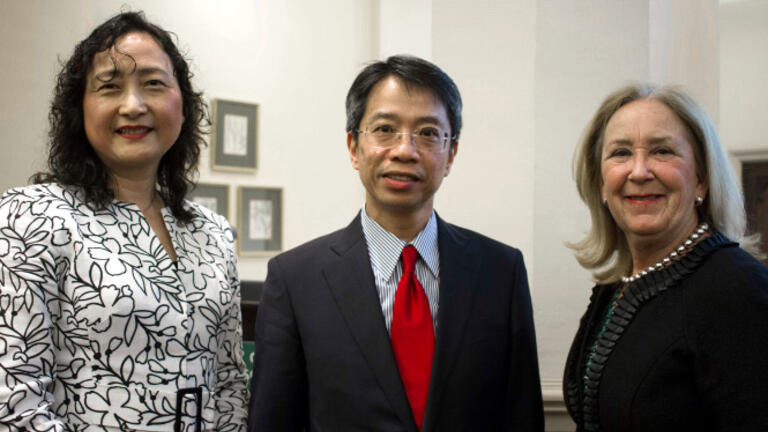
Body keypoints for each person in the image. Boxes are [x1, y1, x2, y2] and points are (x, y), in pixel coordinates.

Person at [248, 55, 543, 431]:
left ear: (451, 154)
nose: (405, 150)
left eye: (428, 133)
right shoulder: (295, 280)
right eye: (385, 129)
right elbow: (273, 422)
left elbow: (522, 415)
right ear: (354, 147)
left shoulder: (501, 272)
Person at [0, 11, 248, 431]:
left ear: (183, 106)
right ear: (80, 109)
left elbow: (228, 384)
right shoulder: (33, 216)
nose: (133, 106)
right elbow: (14, 400)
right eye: (110, 87)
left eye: (153, 84)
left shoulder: (214, 234)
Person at [563, 84, 768, 431]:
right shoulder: (616, 287)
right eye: (621, 153)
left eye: (662, 151)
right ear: (601, 182)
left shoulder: (737, 287)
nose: (639, 171)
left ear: (701, 178)